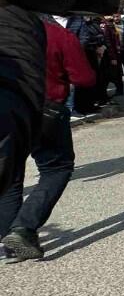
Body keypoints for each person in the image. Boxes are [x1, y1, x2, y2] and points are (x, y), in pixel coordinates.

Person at [0, 17, 95, 260]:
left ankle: (9, 237)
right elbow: (84, 78)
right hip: (46, 108)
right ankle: (23, 228)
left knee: (11, 173)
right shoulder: (59, 35)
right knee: (57, 168)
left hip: (6, 108)